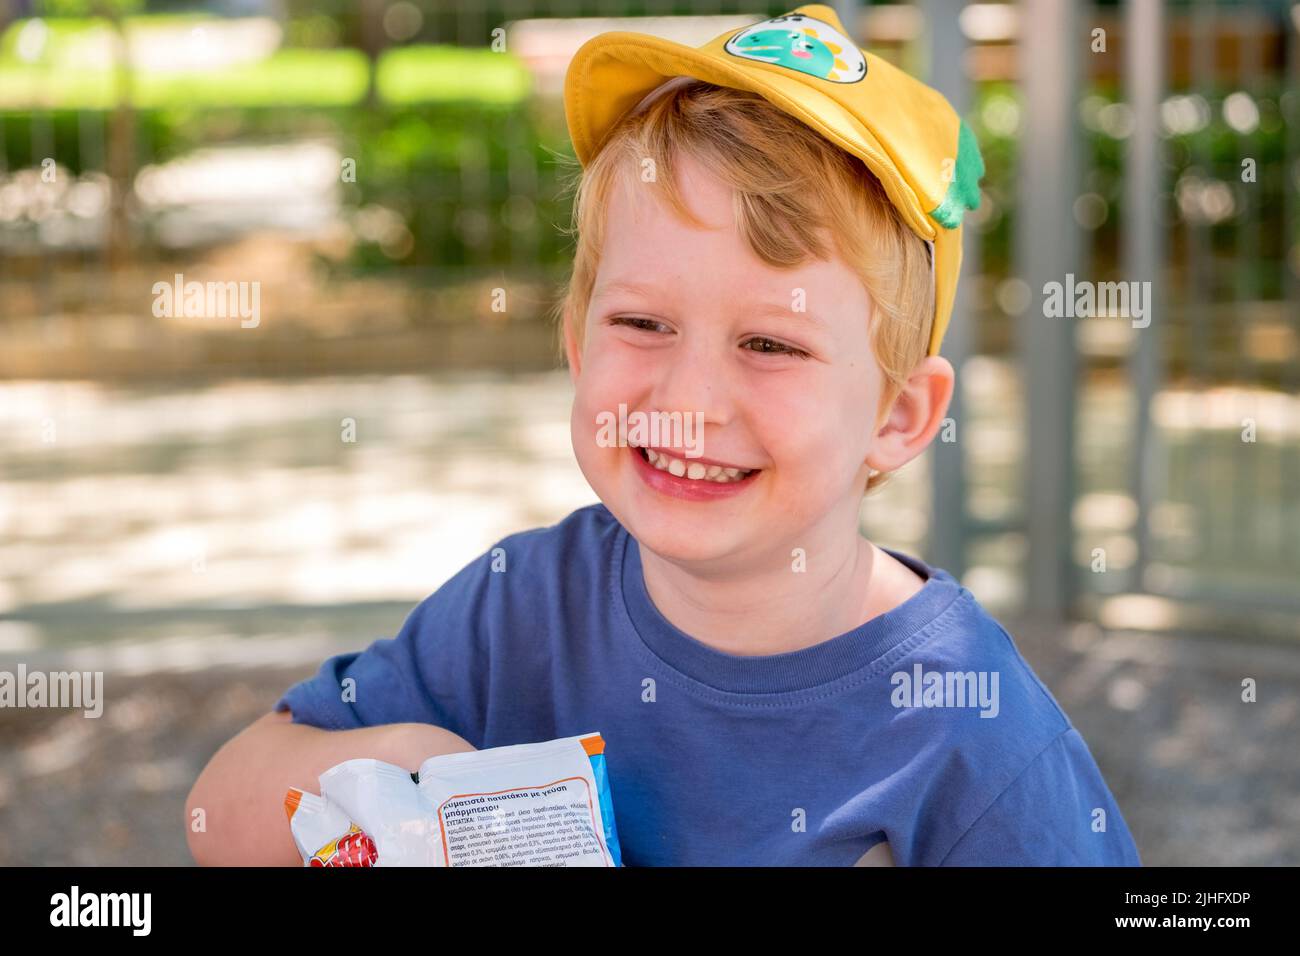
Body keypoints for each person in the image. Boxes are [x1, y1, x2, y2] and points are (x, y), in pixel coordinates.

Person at [186, 3, 1140, 866]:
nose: (690, 397)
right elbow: (220, 816)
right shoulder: (517, 616)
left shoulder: (971, 728)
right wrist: (406, 767)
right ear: (575, 341)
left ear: (897, 417)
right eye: (644, 324)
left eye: (770, 342)